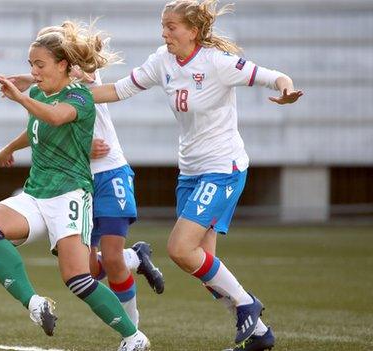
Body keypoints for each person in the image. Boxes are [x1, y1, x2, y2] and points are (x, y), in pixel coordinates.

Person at [88, 1, 303, 350]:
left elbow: (271, 76)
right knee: (202, 266)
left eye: (172, 26)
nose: (164, 33)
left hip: (223, 168)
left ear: (194, 30)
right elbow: (117, 90)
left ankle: (247, 303)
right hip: (190, 172)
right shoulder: (163, 60)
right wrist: (64, 93)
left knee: (179, 248)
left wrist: (286, 88)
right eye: (163, 26)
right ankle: (261, 334)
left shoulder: (218, 63)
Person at [0, 21, 150, 351]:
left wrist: (20, 98)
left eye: (39, 64)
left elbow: (55, 117)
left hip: (70, 195)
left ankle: (133, 336)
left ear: (63, 65)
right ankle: (35, 304)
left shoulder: (81, 97)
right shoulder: (41, 93)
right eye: (31, 65)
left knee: (78, 278)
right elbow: (39, 127)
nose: (34, 71)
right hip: (36, 192)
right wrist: (10, 148)